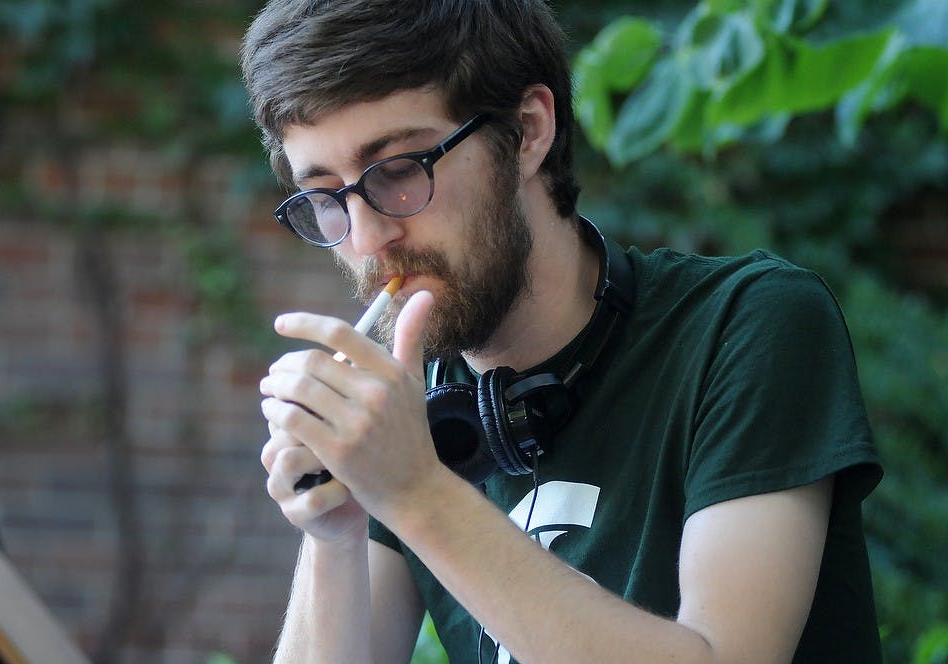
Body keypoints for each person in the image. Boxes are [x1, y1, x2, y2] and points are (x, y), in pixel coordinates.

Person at [242, 1, 884, 662]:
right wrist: (334, 534)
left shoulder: (747, 323)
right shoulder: (412, 402)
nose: (370, 238)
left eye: (401, 171)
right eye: (326, 197)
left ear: (527, 132)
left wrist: (414, 492)